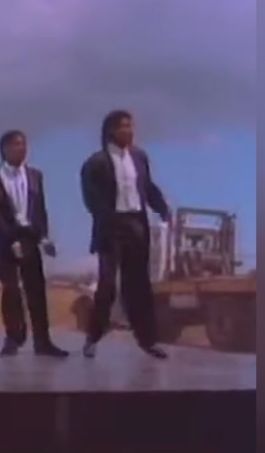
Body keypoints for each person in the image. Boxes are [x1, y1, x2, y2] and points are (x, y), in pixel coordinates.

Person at [80, 110, 170, 359]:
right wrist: (107, 219)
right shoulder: (96, 163)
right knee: (107, 285)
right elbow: (91, 199)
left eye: (131, 126)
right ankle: (93, 337)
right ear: (111, 131)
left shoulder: (139, 157)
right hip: (111, 227)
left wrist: (162, 208)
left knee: (139, 286)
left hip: (137, 224)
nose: (129, 131)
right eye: (123, 127)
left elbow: (147, 187)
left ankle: (148, 341)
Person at [0, 130, 69, 358]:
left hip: (30, 237)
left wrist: (43, 237)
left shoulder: (35, 176)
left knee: (36, 290)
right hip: (5, 239)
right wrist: (12, 240)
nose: (22, 148)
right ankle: (13, 337)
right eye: (17, 144)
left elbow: (39, 209)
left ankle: (43, 341)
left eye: (24, 144)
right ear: (5, 149)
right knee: (11, 290)